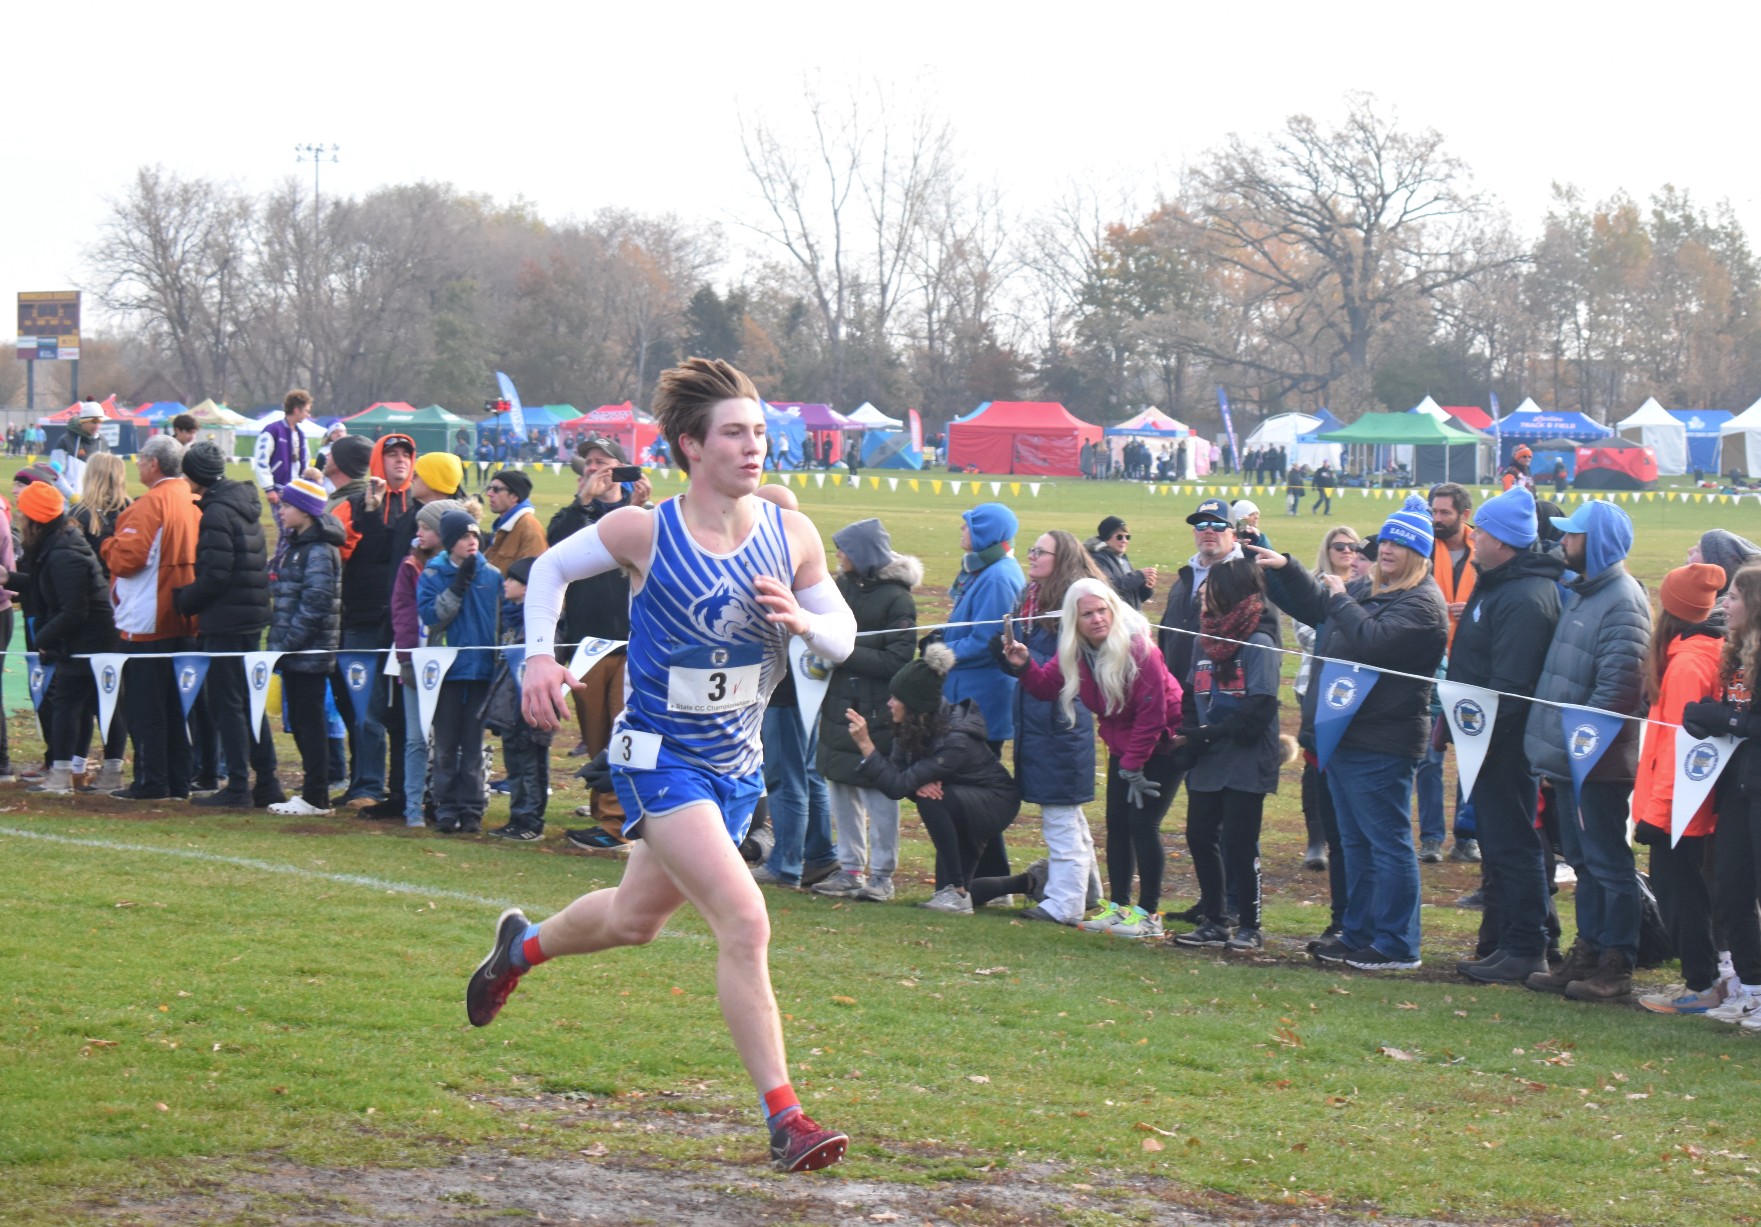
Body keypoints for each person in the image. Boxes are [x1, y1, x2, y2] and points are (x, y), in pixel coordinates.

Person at [470, 358, 857, 1172]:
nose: (753, 446)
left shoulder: (792, 533)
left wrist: (806, 622)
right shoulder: (646, 529)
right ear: (691, 444)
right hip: (658, 757)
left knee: (632, 921)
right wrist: (539, 657)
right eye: (734, 433)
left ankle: (519, 948)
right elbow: (548, 569)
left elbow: (843, 630)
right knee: (745, 920)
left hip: (735, 765)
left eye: (759, 431)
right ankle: (786, 1118)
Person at [1255, 495, 1449, 972]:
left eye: (1399, 544)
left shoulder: (1422, 604)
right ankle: (1360, 933)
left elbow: (1371, 641)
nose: (1386, 550)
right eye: (1384, 541)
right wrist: (1285, 566)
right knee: (1357, 842)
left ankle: (1398, 944)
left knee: (1388, 842)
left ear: (1419, 553)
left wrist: (1342, 597)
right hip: (1344, 733)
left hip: (1383, 741)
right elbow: (1318, 604)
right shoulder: (1372, 588)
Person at [1522, 500, 1651, 1002]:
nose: (1563, 542)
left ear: (1594, 543)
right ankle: (1590, 950)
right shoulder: (1584, 594)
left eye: (1573, 536)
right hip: (1572, 759)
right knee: (1583, 860)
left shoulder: (1622, 600)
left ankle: (1616, 962)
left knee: (1606, 862)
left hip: (1597, 762)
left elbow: (1618, 687)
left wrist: (1580, 753)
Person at [1008, 577, 1185, 939]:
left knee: (1144, 825)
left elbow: (1154, 714)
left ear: (1113, 610)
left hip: (1166, 743)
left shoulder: (1141, 650)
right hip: (1124, 746)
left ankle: (1149, 915)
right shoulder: (1075, 652)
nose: (1097, 619)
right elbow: (1046, 687)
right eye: (1087, 614)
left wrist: (1135, 764)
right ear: (1075, 620)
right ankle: (1119, 908)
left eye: (1102, 610)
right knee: (1117, 825)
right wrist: (1024, 665)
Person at [1444, 486, 1565, 984]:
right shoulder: (1497, 583)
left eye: (1485, 532)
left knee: (1514, 844)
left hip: (1504, 744)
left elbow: (1511, 686)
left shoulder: (1525, 597)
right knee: (1498, 842)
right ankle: (1511, 942)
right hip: (1483, 737)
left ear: (1506, 541)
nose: (1475, 538)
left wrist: (1480, 735)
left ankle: (1527, 946)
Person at [849, 645, 1020, 913]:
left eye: (897, 698)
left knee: (930, 803)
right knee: (949, 887)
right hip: (960, 797)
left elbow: (897, 786)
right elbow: (898, 778)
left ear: (915, 703)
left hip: (995, 801)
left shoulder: (955, 740)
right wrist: (916, 784)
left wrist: (866, 746)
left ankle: (957, 893)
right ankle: (1029, 881)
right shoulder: (912, 726)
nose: (889, 703)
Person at [1169, 558, 1283, 951]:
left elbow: (1260, 709)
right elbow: (1189, 695)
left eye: (1211, 587)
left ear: (1230, 592)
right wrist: (1188, 737)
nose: (1202, 594)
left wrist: (1209, 733)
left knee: (1239, 841)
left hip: (1245, 759)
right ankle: (1214, 920)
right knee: (1200, 836)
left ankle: (1250, 924)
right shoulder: (1205, 640)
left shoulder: (1260, 643)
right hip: (1208, 757)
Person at [1633, 564, 1728, 1014]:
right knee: (1689, 891)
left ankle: (1702, 983)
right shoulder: (1698, 651)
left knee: (1681, 895)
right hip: (1688, 802)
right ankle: (1712, 980)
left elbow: (1681, 747)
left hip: (1682, 806)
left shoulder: (1689, 662)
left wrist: (1660, 812)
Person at [549, 437, 651, 850]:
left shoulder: (642, 518)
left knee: (624, 733)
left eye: (604, 463)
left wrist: (642, 508)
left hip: (633, 644)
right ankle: (604, 814)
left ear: (623, 470)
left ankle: (618, 823)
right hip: (587, 644)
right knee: (594, 737)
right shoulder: (577, 515)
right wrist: (582, 504)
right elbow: (555, 550)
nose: (595, 470)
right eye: (589, 463)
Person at [810, 518, 919, 902]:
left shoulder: (898, 599)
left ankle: (882, 876)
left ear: (863, 554)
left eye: (844, 549)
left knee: (879, 793)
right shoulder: (840, 588)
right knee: (840, 786)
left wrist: (843, 653)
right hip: (838, 703)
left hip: (877, 712)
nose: (837, 555)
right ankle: (850, 869)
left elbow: (898, 660)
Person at [999, 529, 1105, 925]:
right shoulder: (1030, 599)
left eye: (1040, 552)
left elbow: (1061, 667)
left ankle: (1064, 902)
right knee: (1067, 816)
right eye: (1031, 550)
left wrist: (1025, 658)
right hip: (1035, 718)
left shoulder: (1072, 606)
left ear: (1060, 560)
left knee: (1059, 817)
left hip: (1060, 722)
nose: (1031, 557)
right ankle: (1088, 890)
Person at [173, 442, 283, 809]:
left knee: (228, 705)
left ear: (194, 477)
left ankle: (238, 785)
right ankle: (266, 781)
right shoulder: (242, 504)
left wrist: (184, 600)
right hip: (250, 615)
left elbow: (216, 575)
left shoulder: (217, 513)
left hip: (227, 620)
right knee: (249, 703)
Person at [1682, 564, 1761, 1028]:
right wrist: (1706, 719)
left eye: (1733, 596)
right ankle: (1751, 988)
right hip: (1736, 789)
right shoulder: (1734, 655)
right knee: (1730, 892)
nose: (1723, 605)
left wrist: (1720, 719)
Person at [102, 435, 199, 801]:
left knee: (146, 708)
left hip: (146, 619)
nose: (138, 465)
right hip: (180, 616)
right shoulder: (190, 499)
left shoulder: (149, 505)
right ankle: (177, 779)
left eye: (141, 459)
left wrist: (107, 543)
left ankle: (151, 780)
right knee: (175, 707)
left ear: (154, 464)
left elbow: (127, 560)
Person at [6, 483, 115, 793]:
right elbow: (45, 584)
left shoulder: (62, 552)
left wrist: (42, 637)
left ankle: (66, 775)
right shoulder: (58, 542)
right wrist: (8, 578)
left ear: (34, 519)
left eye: (24, 514)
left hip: (91, 637)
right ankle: (89, 772)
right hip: (86, 634)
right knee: (83, 703)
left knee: (75, 703)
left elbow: (73, 609)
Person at [332, 434, 416, 817]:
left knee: (401, 711)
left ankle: (403, 787)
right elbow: (336, 554)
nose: (399, 460)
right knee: (364, 709)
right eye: (392, 453)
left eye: (406, 454)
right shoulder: (353, 504)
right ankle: (365, 784)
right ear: (379, 460)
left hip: (405, 626)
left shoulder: (421, 508)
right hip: (362, 619)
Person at [417, 510, 503, 834]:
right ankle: (446, 807)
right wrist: (457, 586)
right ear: (451, 541)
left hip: (481, 671)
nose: (472, 542)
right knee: (445, 746)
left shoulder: (492, 576)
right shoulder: (433, 574)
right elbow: (432, 618)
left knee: (473, 745)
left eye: (475, 536)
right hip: (446, 674)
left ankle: (472, 809)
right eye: (465, 537)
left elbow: (500, 623)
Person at [266, 477, 344, 817]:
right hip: (296, 651)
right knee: (299, 719)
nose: (281, 511)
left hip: (308, 652)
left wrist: (287, 644)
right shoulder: (296, 546)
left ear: (306, 511)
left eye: (286, 506)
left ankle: (316, 795)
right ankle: (314, 791)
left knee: (310, 721)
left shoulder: (318, 551)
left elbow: (316, 602)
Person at [389, 498, 464, 828]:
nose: (418, 532)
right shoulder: (410, 566)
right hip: (417, 659)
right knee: (416, 737)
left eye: (425, 527)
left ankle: (448, 804)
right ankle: (413, 808)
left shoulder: (464, 566)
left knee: (450, 738)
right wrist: (405, 657)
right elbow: (403, 615)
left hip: (453, 661)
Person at [66, 453, 132, 791]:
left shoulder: (77, 516)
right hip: (120, 612)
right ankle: (112, 768)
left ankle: (75, 767)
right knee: (112, 693)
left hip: (86, 613)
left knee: (78, 694)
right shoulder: (131, 511)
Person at [1424, 483, 1480, 864]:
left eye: (1444, 513)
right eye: (1433, 511)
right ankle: (1430, 838)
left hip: (1474, 663)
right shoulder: (1423, 547)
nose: (1437, 519)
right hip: (1428, 661)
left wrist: (1476, 609)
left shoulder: (1489, 550)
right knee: (1428, 755)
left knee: (1470, 753)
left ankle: (1467, 834)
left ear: (1464, 515)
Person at [942, 503, 1025, 754]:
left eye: (968, 524)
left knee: (971, 781)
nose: (961, 528)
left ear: (985, 532)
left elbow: (986, 643)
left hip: (980, 701)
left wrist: (939, 652)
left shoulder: (997, 578)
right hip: (970, 694)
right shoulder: (985, 570)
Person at [485, 556, 552, 841]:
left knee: (530, 765)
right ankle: (517, 816)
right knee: (515, 763)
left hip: (532, 707)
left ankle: (530, 820)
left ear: (527, 588)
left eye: (512, 579)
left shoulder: (542, 624)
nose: (505, 584)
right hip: (511, 706)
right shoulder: (512, 619)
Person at [254, 389, 314, 565]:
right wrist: (268, 488)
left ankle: (281, 564)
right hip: (279, 491)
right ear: (296, 409)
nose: (309, 414)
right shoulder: (273, 430)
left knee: (294, 530)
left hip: (296, 490)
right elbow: (261, 460)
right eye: (307, 410)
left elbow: (305, 461)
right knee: (286, 530)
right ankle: (276, 566)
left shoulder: (301, 434)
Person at [1086, 516, 1156, 611]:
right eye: (1119, 537)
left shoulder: (1122, 558)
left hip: (1131, 619)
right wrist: (1139, 576)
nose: (1124, 540)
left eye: (1127, 537)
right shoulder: (1098, 559)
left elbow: (1132, 598)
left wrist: (1146, 587)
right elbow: (1109, 588)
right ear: (1106, 538)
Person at [483, 469, 546, 573]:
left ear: (514, 497)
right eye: (489, 488)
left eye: (496, 489)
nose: (489, 493)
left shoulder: (530, 530)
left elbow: (530, 578)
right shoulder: (504, 526)